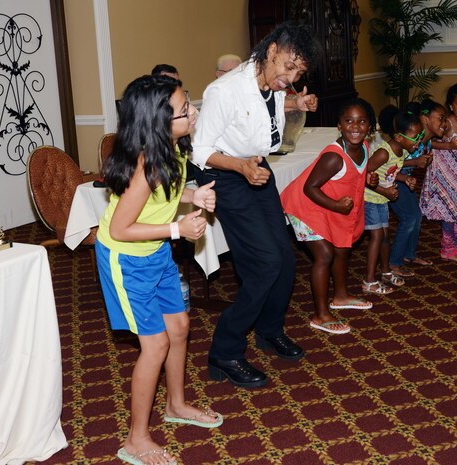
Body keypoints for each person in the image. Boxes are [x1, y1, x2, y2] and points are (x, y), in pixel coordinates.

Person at [96, 75, 221, 465]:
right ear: (159, 122)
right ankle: (136, 439)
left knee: (180, 327)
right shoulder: (143, 164)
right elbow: (120, 228)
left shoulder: (172, 148)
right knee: (156, 344)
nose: (193, 112)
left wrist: (191, 195)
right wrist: (177, 229)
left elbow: (167, 192)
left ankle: (177, 404)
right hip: (126, 259)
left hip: (155, 254)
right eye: (186, 110)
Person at [191, 22, 322, 388]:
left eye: (300, 72)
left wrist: (294, 100)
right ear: (271, 50)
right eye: (289, 67)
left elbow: (265, 113)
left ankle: (268, 330)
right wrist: (240, 167)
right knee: (265, 264)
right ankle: (225, 352)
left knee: (283, 256)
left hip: (255, 168)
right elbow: (200, 152)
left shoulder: (271, 84)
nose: (292, 77)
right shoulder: (224, 90)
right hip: (227, 174)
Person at [282, 98, 377, 334]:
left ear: (370, 128)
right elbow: (309, 188)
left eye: (362, 121)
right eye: (348, 121)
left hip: (329, 205)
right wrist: (336, 205)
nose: (355, 127)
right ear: (339, 126)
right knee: (324, 254)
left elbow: (356, 173)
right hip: (304, 206)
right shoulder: (334, 157)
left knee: (343, 248)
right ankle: (320, 315)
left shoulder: (364, 147)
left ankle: (341, 295)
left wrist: (368, 179)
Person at [362, 106, 423, 294]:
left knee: (385, 238)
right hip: (370, 199)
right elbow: (363, 175)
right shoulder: (383, 152)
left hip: (381, 199)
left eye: (420, 136)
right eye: (416, 138)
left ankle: (386, 271)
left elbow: (391, 171)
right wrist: (384, 191)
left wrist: (405, 178)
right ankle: (369, 281)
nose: (419, 141)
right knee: (377, 237)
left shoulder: (401, 152)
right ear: (398, 137)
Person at [420, 83, 457, 262]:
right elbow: (427, 141)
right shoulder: (447, 124)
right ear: (451, 106)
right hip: (443, 170)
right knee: (448, 207)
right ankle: (447, 248)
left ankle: (456, 243)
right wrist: (448, 145)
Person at [388, 99, 446, 276]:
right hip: (392, 180)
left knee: (416, 216)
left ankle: (409, 255)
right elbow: (390, 163)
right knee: (409, 218)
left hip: (405, 181)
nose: (444, 123)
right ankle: (394, 262)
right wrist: (415, 161)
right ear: (425, 119)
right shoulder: (411, 140)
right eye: (441, 118)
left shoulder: (426, 141)